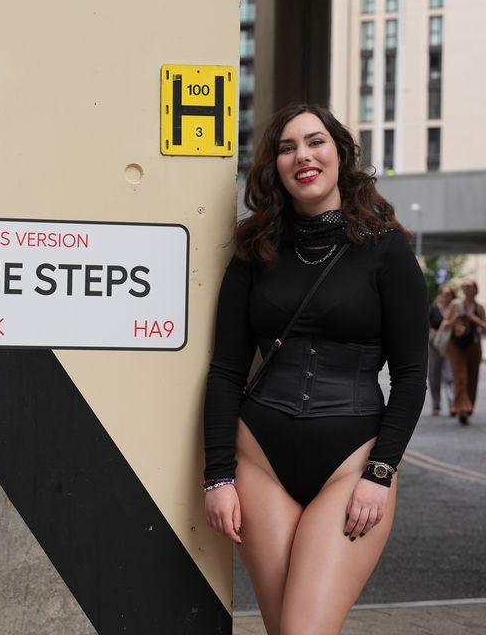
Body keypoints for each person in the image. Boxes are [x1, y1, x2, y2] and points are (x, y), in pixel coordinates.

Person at [202, 104, 427, 634]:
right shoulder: (254, 250)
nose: (302, 155)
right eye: (286, 147)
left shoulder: (386, 248)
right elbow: (225, 371)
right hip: (260, 461)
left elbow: (412, 374)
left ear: (340, 154)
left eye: (315, 141)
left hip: (351, 467)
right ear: (275, 167)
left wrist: (380, 472)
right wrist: (218, 476)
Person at [441, 279, 486, 425]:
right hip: (456, 345)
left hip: (474, 345)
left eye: (469, 286)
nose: (466, 289)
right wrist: (455, 318)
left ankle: (468, 407)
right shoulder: (456, 305)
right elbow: (445, 324)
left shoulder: (479, 307)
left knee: (472, 377)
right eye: (464, 286)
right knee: (460, 377)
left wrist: (474, 319)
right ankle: (462, 408)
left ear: (475, 289)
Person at [428, 284, 456, 416]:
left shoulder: (455, 309)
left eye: (449, 294)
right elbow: (426, 323)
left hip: (450, 346)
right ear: (440, 295)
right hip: (434, 346)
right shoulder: (433, 308)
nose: (446, 297)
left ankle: (452, 405)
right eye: (444, 294)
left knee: (449, 376)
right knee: (434, 376)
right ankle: (436, 405)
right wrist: (430, 334)